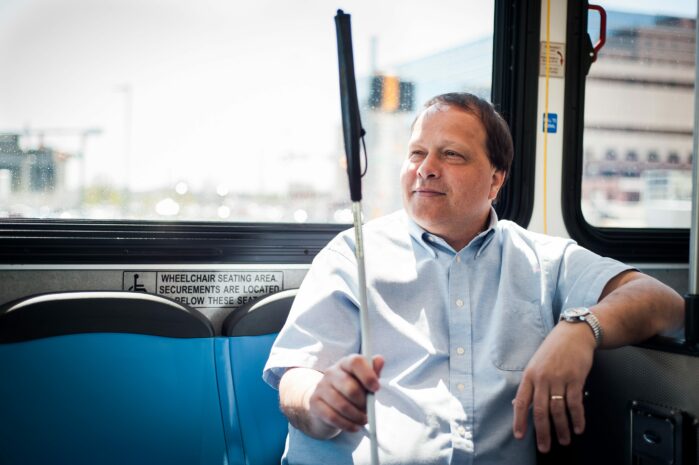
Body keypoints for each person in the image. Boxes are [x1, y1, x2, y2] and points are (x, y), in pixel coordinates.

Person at [262, 92, 685, 465]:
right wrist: (319, 403)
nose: (426, 169)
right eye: (416, 153)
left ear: (496, 180)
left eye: (451, 155)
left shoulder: (543, 259)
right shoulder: (352, 254)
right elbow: (297, 379)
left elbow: (662, 302)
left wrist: (581, 330)